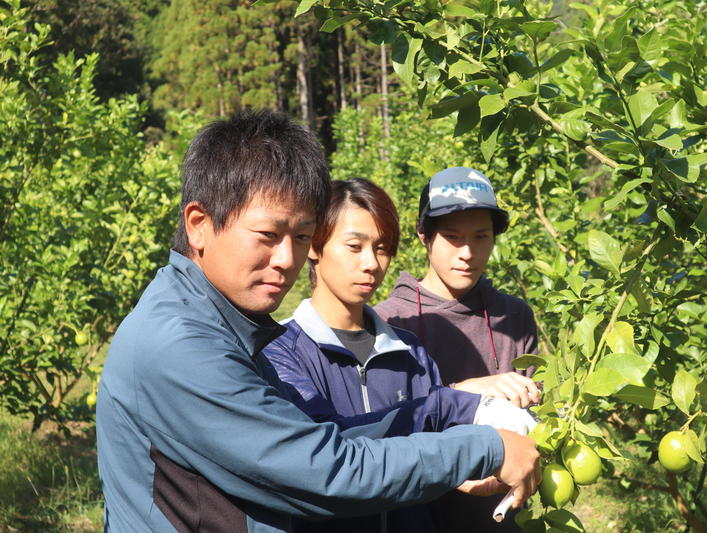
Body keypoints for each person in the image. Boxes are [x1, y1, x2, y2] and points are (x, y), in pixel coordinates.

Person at [96, 111, 541, 533]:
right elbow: (323, 469)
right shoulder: (181, 344)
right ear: (199, 224)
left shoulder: (224, 326)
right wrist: (484, 448)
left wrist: (456, 408)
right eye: (268, 236)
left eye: (302, 235)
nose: (286, 259)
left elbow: (328, 436)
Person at [262, 178, 538, 532]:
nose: (371, 263)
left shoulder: (410, 351)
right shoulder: (280, 352)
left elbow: (436, 451)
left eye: (382, 247)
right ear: (315, 244)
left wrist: (462, 476)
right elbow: (326, 457)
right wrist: (458, 406)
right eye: (354, 246)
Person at [374, 166, 541, 532]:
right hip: (415, 518)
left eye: (481, 237)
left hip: (498, 517)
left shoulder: (514, 316)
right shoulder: (387, 322)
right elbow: (376, 433)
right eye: (452, 237)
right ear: (424, 237)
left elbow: (536, 421)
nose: (467, 252)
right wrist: (463, 392)